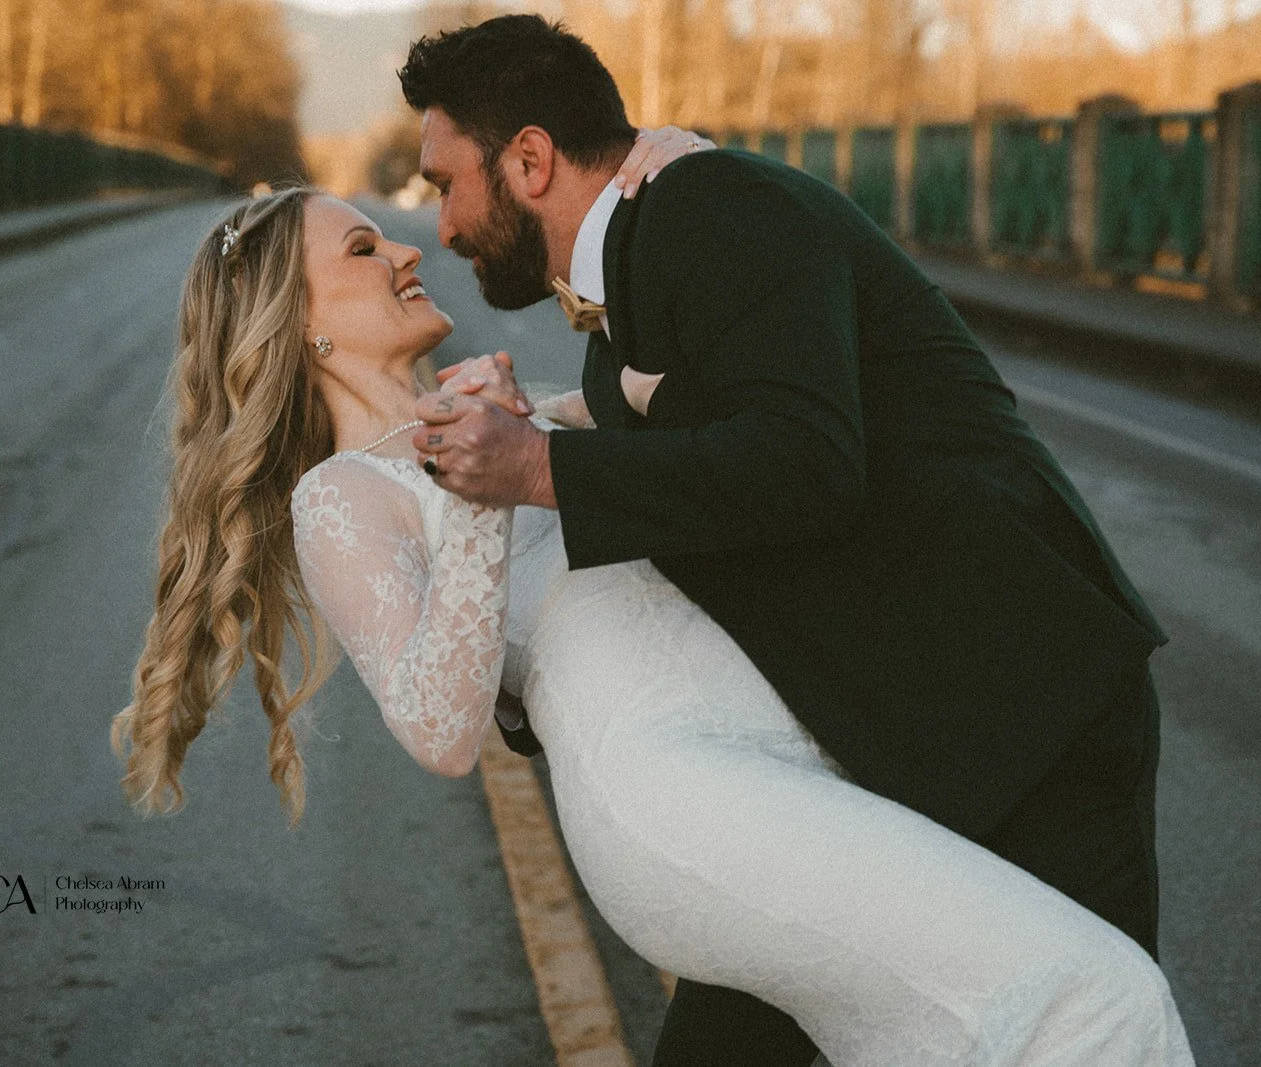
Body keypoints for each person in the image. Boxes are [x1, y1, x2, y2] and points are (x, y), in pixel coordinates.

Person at [112, 181, 1194, 1062]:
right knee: (1088, 991)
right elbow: (439, 728)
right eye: (361, 249)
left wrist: (675, 178)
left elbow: (735, 434)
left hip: (794, 763)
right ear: (301, 325)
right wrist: (480, 488)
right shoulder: (343, 495)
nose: (405, 249)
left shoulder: (521, 414)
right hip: (681, 793)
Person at [403, 15, 1178, 1065]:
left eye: (446, 182)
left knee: (1078, 1029)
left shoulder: (714, 206)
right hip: (866, 743)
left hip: (1021, 707)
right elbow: (700, 469)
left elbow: (805, 460)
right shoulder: (649, 240)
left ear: (529, 159)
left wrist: (538, 467)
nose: (443, 223)